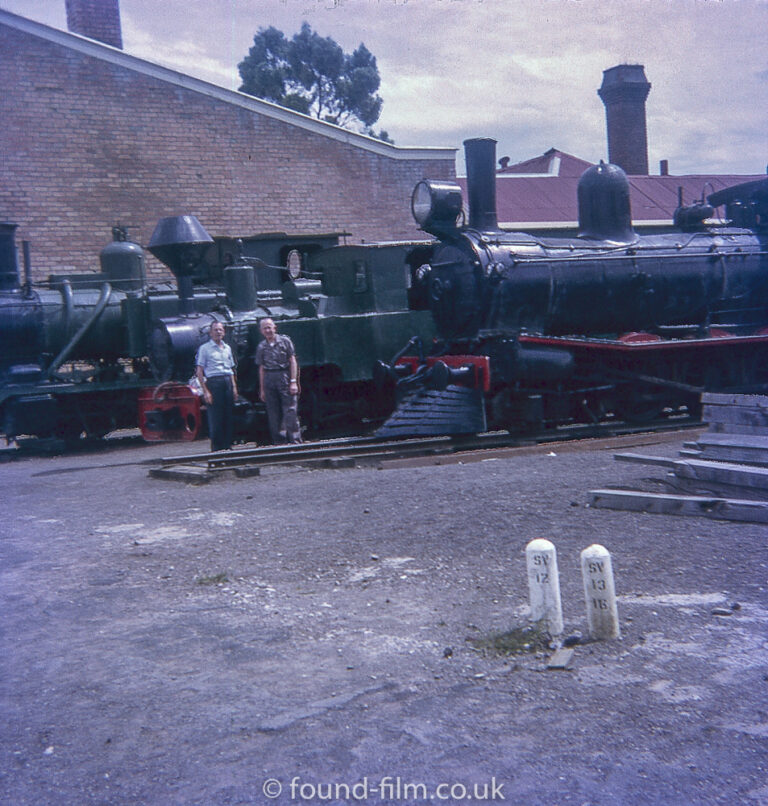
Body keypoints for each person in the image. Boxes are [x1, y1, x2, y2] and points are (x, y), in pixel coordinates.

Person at [255, 317, 302, 443]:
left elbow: (292, 361)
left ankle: (295, 441)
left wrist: (293, 381)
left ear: (275, 328)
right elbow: (261, 368)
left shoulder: (285, 341)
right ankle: (279, 443)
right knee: (273, 413)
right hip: (269, 378)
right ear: (261, 331)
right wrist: (262, 389)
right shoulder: (261, 346)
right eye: (265, 328)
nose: (268, 330)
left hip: (284, 376)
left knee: (290, 410)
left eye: (270, 327)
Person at [195, 321, 237, 451]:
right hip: (214, 383)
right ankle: (217, 448)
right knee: (216, 417)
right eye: (215, 330)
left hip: (227, 382)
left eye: (220, 330)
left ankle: (227, 446)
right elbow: (199, 371)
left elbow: (231, 369)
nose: (218, 332)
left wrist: (234, 387)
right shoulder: (205, 349)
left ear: (223, 332)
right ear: (210, 333)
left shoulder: (227, 348)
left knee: (228, 415)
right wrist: (205, 391)